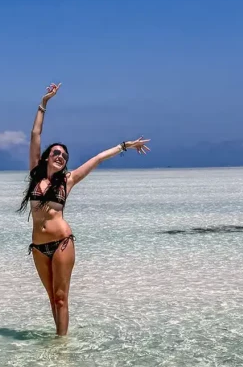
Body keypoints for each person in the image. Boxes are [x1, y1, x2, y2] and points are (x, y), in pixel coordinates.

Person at [19, 83, 149, 336]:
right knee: (50, 299)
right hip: (38, 246)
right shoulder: (35, 176)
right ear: (47, 157)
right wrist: (44, 102)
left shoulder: (68, 180)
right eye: (56, 153)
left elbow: (98, 158)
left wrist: (125, 146)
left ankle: (62, 348)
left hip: (61, 242)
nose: (61, 157)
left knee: (60, 298)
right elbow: (35, 135)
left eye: (65, 156)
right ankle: (58, 341)